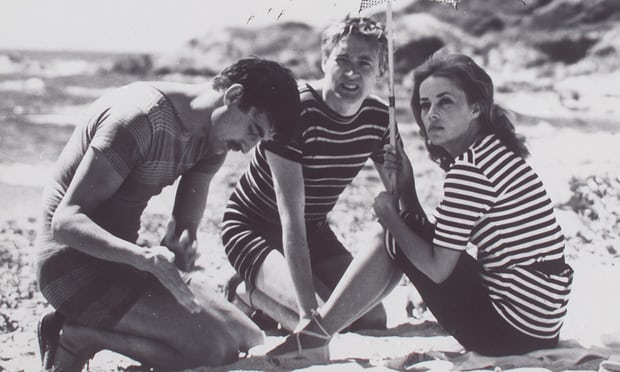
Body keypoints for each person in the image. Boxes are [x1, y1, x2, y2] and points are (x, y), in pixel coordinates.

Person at [266, 51, 574, 365]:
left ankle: (316, 336)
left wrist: (388, 216)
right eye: (425, 105)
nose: (431, 115)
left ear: (476, 108)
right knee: (401, 233)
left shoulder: (471, 171)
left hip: (510, 330)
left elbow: (437, 268)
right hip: (541, 323)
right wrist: (407, 190)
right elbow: (438, 242)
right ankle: (318, 334)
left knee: (391, 235)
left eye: (445, 102)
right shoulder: (492, 153)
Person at [34, 57, 302, 371]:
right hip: (70, 267)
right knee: (215, 351)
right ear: (233, 96)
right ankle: (79, 337)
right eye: (253, 132)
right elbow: (65, 224)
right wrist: (145, 259)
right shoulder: (137, 119)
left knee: (249, 336)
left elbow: (185, 226)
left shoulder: (213, 141)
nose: (246, 149)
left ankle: (106, 331)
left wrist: (180, 250)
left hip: (125, 264)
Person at [221, 16, 418, 333]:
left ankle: (268, 299)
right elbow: (290, 221)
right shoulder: (295, 110)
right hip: (253, 229)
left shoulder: (381, 119)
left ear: (382, 71)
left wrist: (415, 284)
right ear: (325, 60)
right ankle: (246, 292)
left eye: (365, 63)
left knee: (372, 320)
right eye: (342, 59)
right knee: (325, 322)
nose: (352, 72)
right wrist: (309, 315)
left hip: (314, 233)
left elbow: (403, 203)